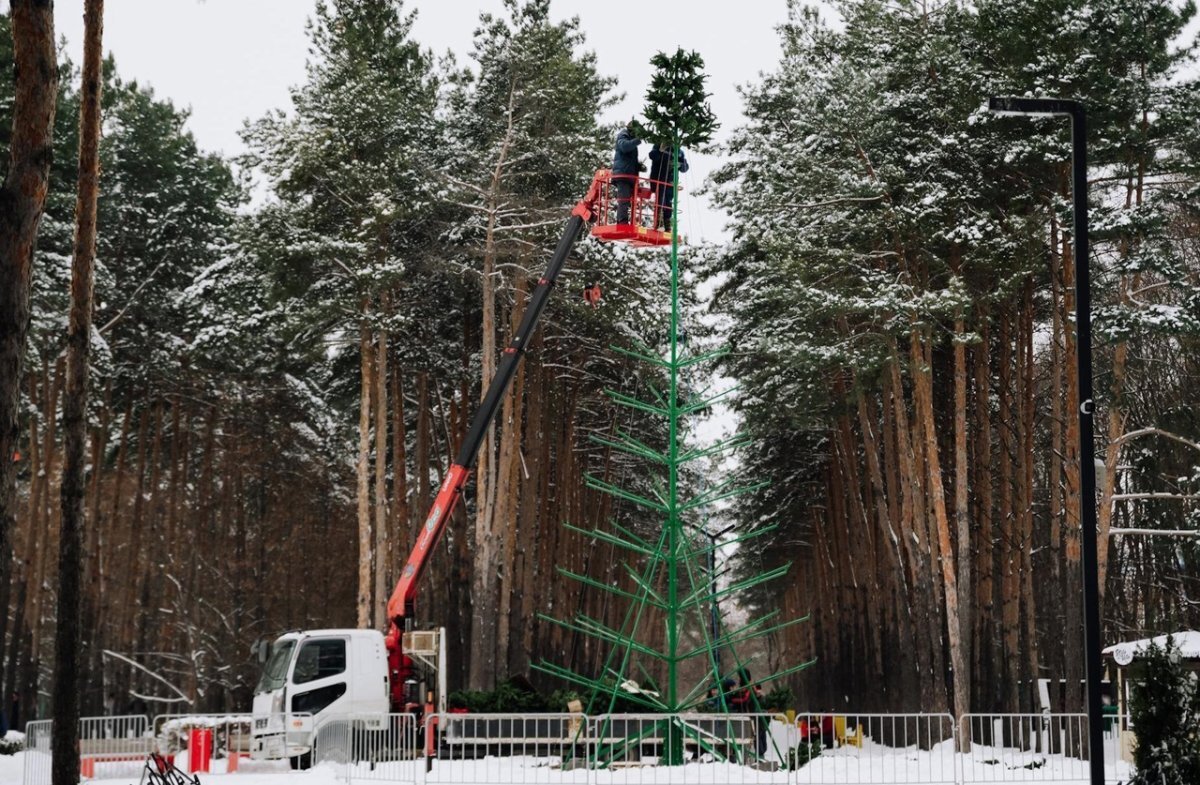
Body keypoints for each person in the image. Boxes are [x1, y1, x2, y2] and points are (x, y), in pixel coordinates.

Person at [648, 143, 689, 230]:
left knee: (668, 202)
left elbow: (685, 168)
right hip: (659, 179)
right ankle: (658, 223)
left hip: (671, 181)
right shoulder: (660, 145)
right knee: (660, 200)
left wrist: (681, 165)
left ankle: (667, 225)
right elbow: (652, 156)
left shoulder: (679, 152)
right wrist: (660, 151)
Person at [611, 122, 641, 224]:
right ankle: (622, 221)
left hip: (628, 174)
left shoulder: (629, 138)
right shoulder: (623, 135)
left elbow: (629, 159)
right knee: (623, 199)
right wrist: (637, 140)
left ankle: (625, 220)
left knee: (627, 199)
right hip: (623, 174)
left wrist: (638, 166)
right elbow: (624, 147)